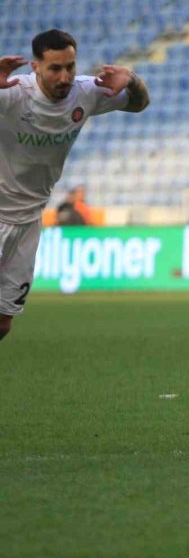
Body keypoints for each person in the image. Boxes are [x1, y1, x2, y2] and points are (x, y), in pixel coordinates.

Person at [0, 29, 150, 341]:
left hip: (28, 221)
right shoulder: (12, 93)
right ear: (35, 66)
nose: (65, 76)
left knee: (3, 323)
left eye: (70, 66)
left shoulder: (85, 92)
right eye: (55, 68)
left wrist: (131, 79)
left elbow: (139, 104)